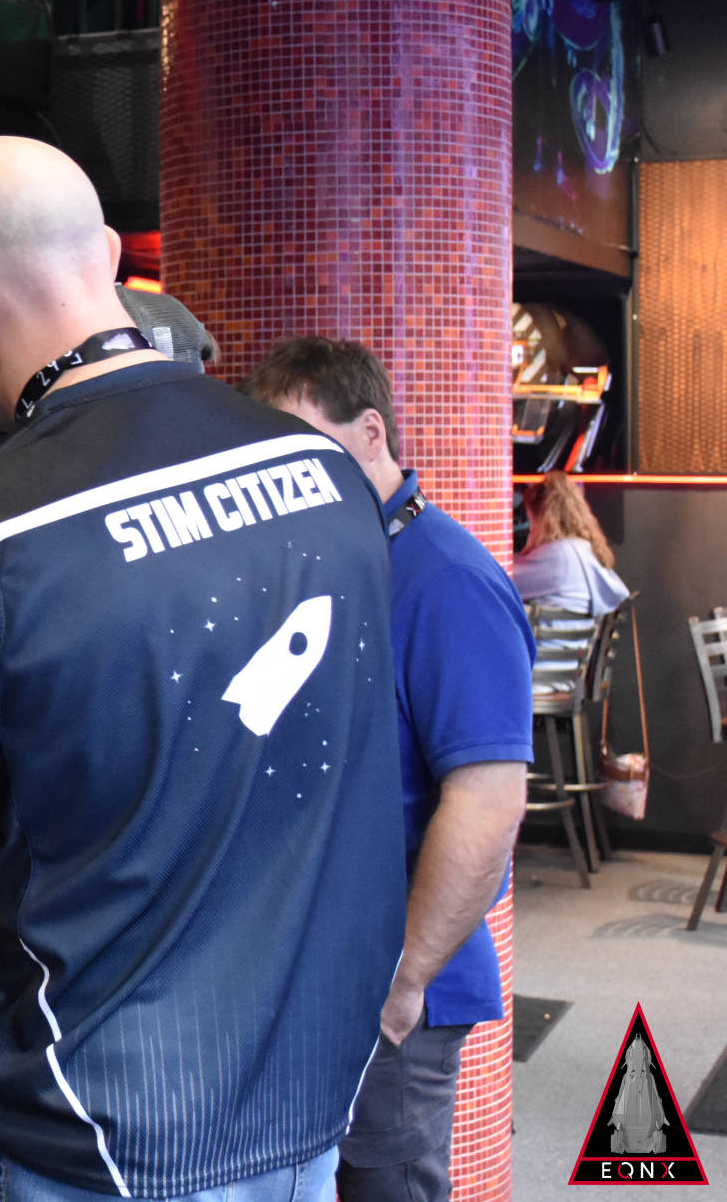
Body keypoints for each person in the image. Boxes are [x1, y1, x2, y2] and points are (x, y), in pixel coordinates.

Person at [0, 137, 406, 1201]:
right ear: (107, 255)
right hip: (306, 1114)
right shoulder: (327, 473)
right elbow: (213, 732)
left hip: (84, 1146)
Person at [244, 337, 532, 1202]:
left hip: (391, 991)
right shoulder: (329, 558)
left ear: (372, 433)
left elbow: (488, 805)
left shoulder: (446, 578)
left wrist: (403, 983)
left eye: (304, 451)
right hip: (301, 976)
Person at [514, 471, 630, 616]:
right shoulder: (583, 548)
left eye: (532, 520)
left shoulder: (559, 554)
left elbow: (504, 583)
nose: (531, 529)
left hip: (545, 631)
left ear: (543, 518)